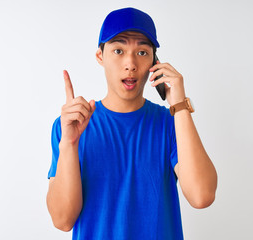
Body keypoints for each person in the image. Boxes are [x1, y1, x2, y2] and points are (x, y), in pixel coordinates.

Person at [46, 7, 217, 240]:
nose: (131, 63)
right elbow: (62, 220)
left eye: (143, 52)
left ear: (154, 63)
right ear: (100, 56)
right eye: (118, 50)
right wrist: (69, 144)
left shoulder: (170, 123)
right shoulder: (71, 126)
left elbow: (202, 196)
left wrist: (180, 105)